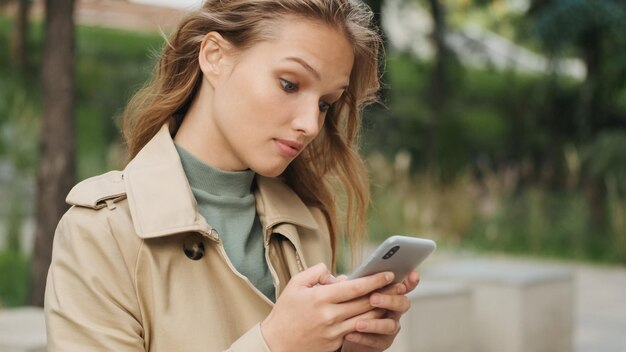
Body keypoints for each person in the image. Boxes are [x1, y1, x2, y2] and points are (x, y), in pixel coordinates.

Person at [44, 0, 420, 351]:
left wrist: (345, 344)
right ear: (214, 57)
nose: (309, 124)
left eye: (325, 104)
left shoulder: (307, 221)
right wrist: (273, 343)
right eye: (290, 84)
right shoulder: (101, 232)